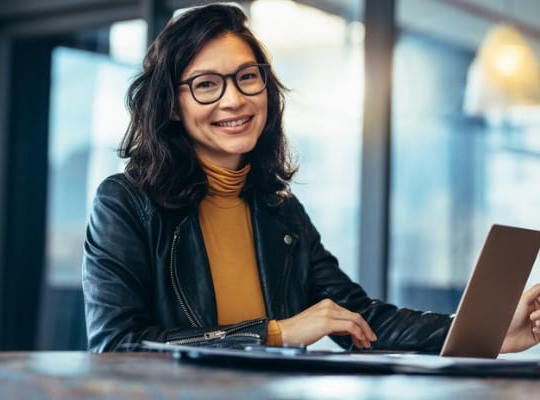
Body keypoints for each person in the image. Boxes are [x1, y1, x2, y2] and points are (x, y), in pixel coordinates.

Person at [82, 3, 540, 353]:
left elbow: (361, 319)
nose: (234, 101)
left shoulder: (280, 210)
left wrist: (491, 330)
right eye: (206, 84)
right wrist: (276, 332)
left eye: (247, 77)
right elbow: (117, 345)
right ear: (170, 104)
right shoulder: (124, 202)